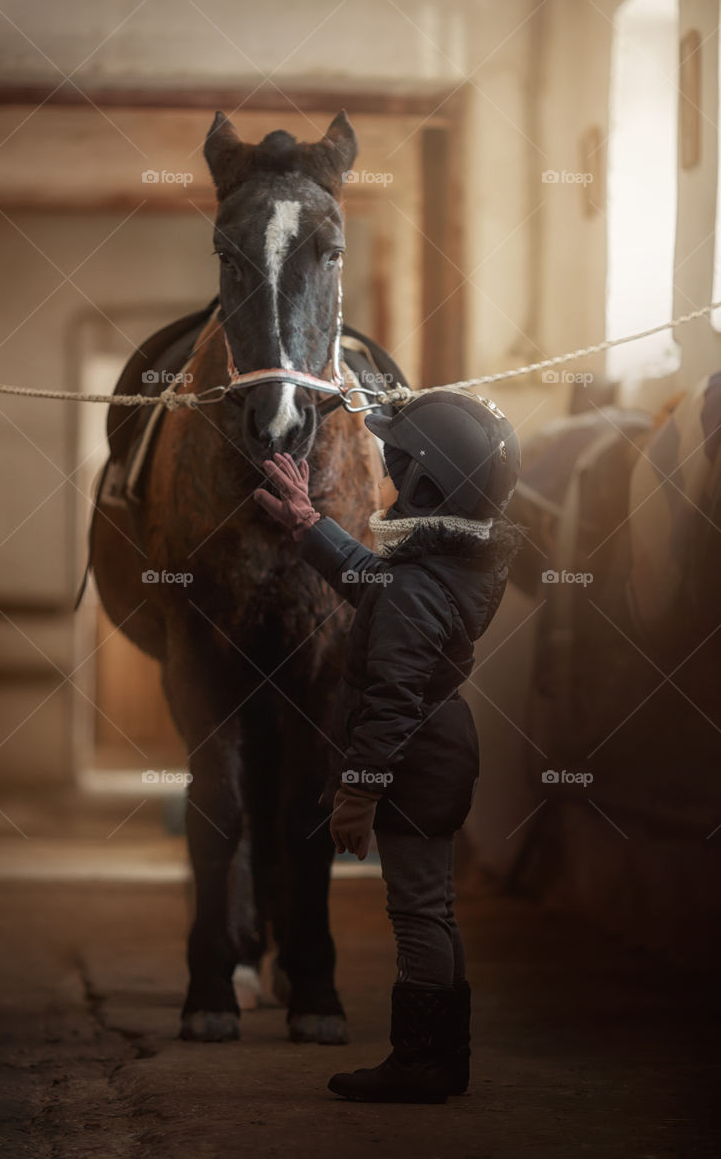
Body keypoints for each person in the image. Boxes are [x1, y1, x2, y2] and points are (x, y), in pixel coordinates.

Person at [253, 389, 522, 1104]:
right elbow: (378, 585)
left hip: (413, 758)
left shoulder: (416, 584)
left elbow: (392, 696)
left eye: (399, 469)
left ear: (429, 485)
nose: (388, 481)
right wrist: (309, 525)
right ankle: (442, 1058)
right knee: (431, 906)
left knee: (416, 912)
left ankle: (418, 1061)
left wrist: (358, 792)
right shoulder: (452, 567)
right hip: (438, 749)